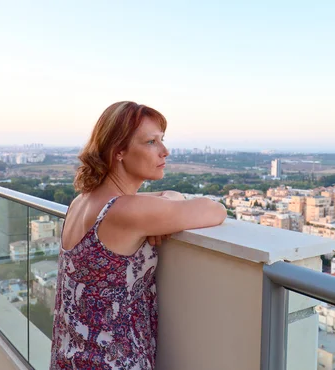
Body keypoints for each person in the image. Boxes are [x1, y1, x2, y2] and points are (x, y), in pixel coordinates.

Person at [50, 101, 227, 369]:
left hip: (71, 356)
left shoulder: (82, 202)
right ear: (119, 151)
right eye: (151, 142)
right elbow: (215, 210)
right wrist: (168, 206)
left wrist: (164, 210)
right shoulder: (127, 212)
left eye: (162, 140)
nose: (165, 151)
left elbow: (158, 205)